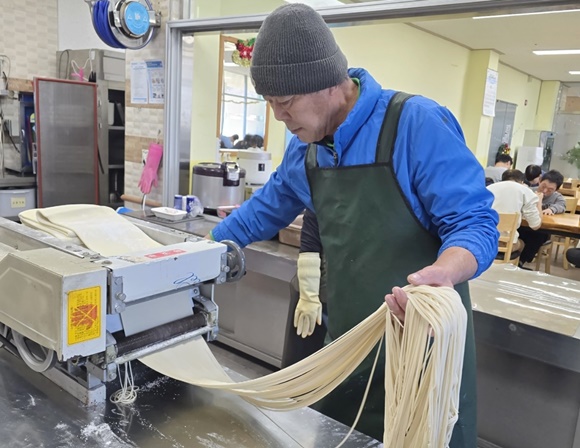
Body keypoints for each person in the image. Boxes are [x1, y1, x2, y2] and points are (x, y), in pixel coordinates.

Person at [207, 3, 498, 445]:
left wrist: (444, 272)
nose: (279, 116)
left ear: (327, 84)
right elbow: (262, 212)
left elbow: (475, 223)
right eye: (270, 103)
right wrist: (198, 253)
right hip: (348, 354)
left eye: (285, 103)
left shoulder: (414, 124)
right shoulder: (306, 150)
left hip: (422, 354)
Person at [518, 169, 565, 268]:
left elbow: (562, 205)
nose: (545, 191)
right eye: (543, 186)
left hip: (542, 229)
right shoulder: (529, 191)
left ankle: (521, 261)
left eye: (550, 189)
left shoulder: (557, 197)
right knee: (519, 233)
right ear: (539, 180)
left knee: (538, 236)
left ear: (556, 189)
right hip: (525, 224)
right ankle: (515, 259)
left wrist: (552, 209)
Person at [487, 169, 542, 255]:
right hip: (505, 244)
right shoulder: (526, 191)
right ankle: (514, 263)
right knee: (522, 243)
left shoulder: (488, 189)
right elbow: (535, 226)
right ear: (522, 182)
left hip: (483, 241)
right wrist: (539, 202)